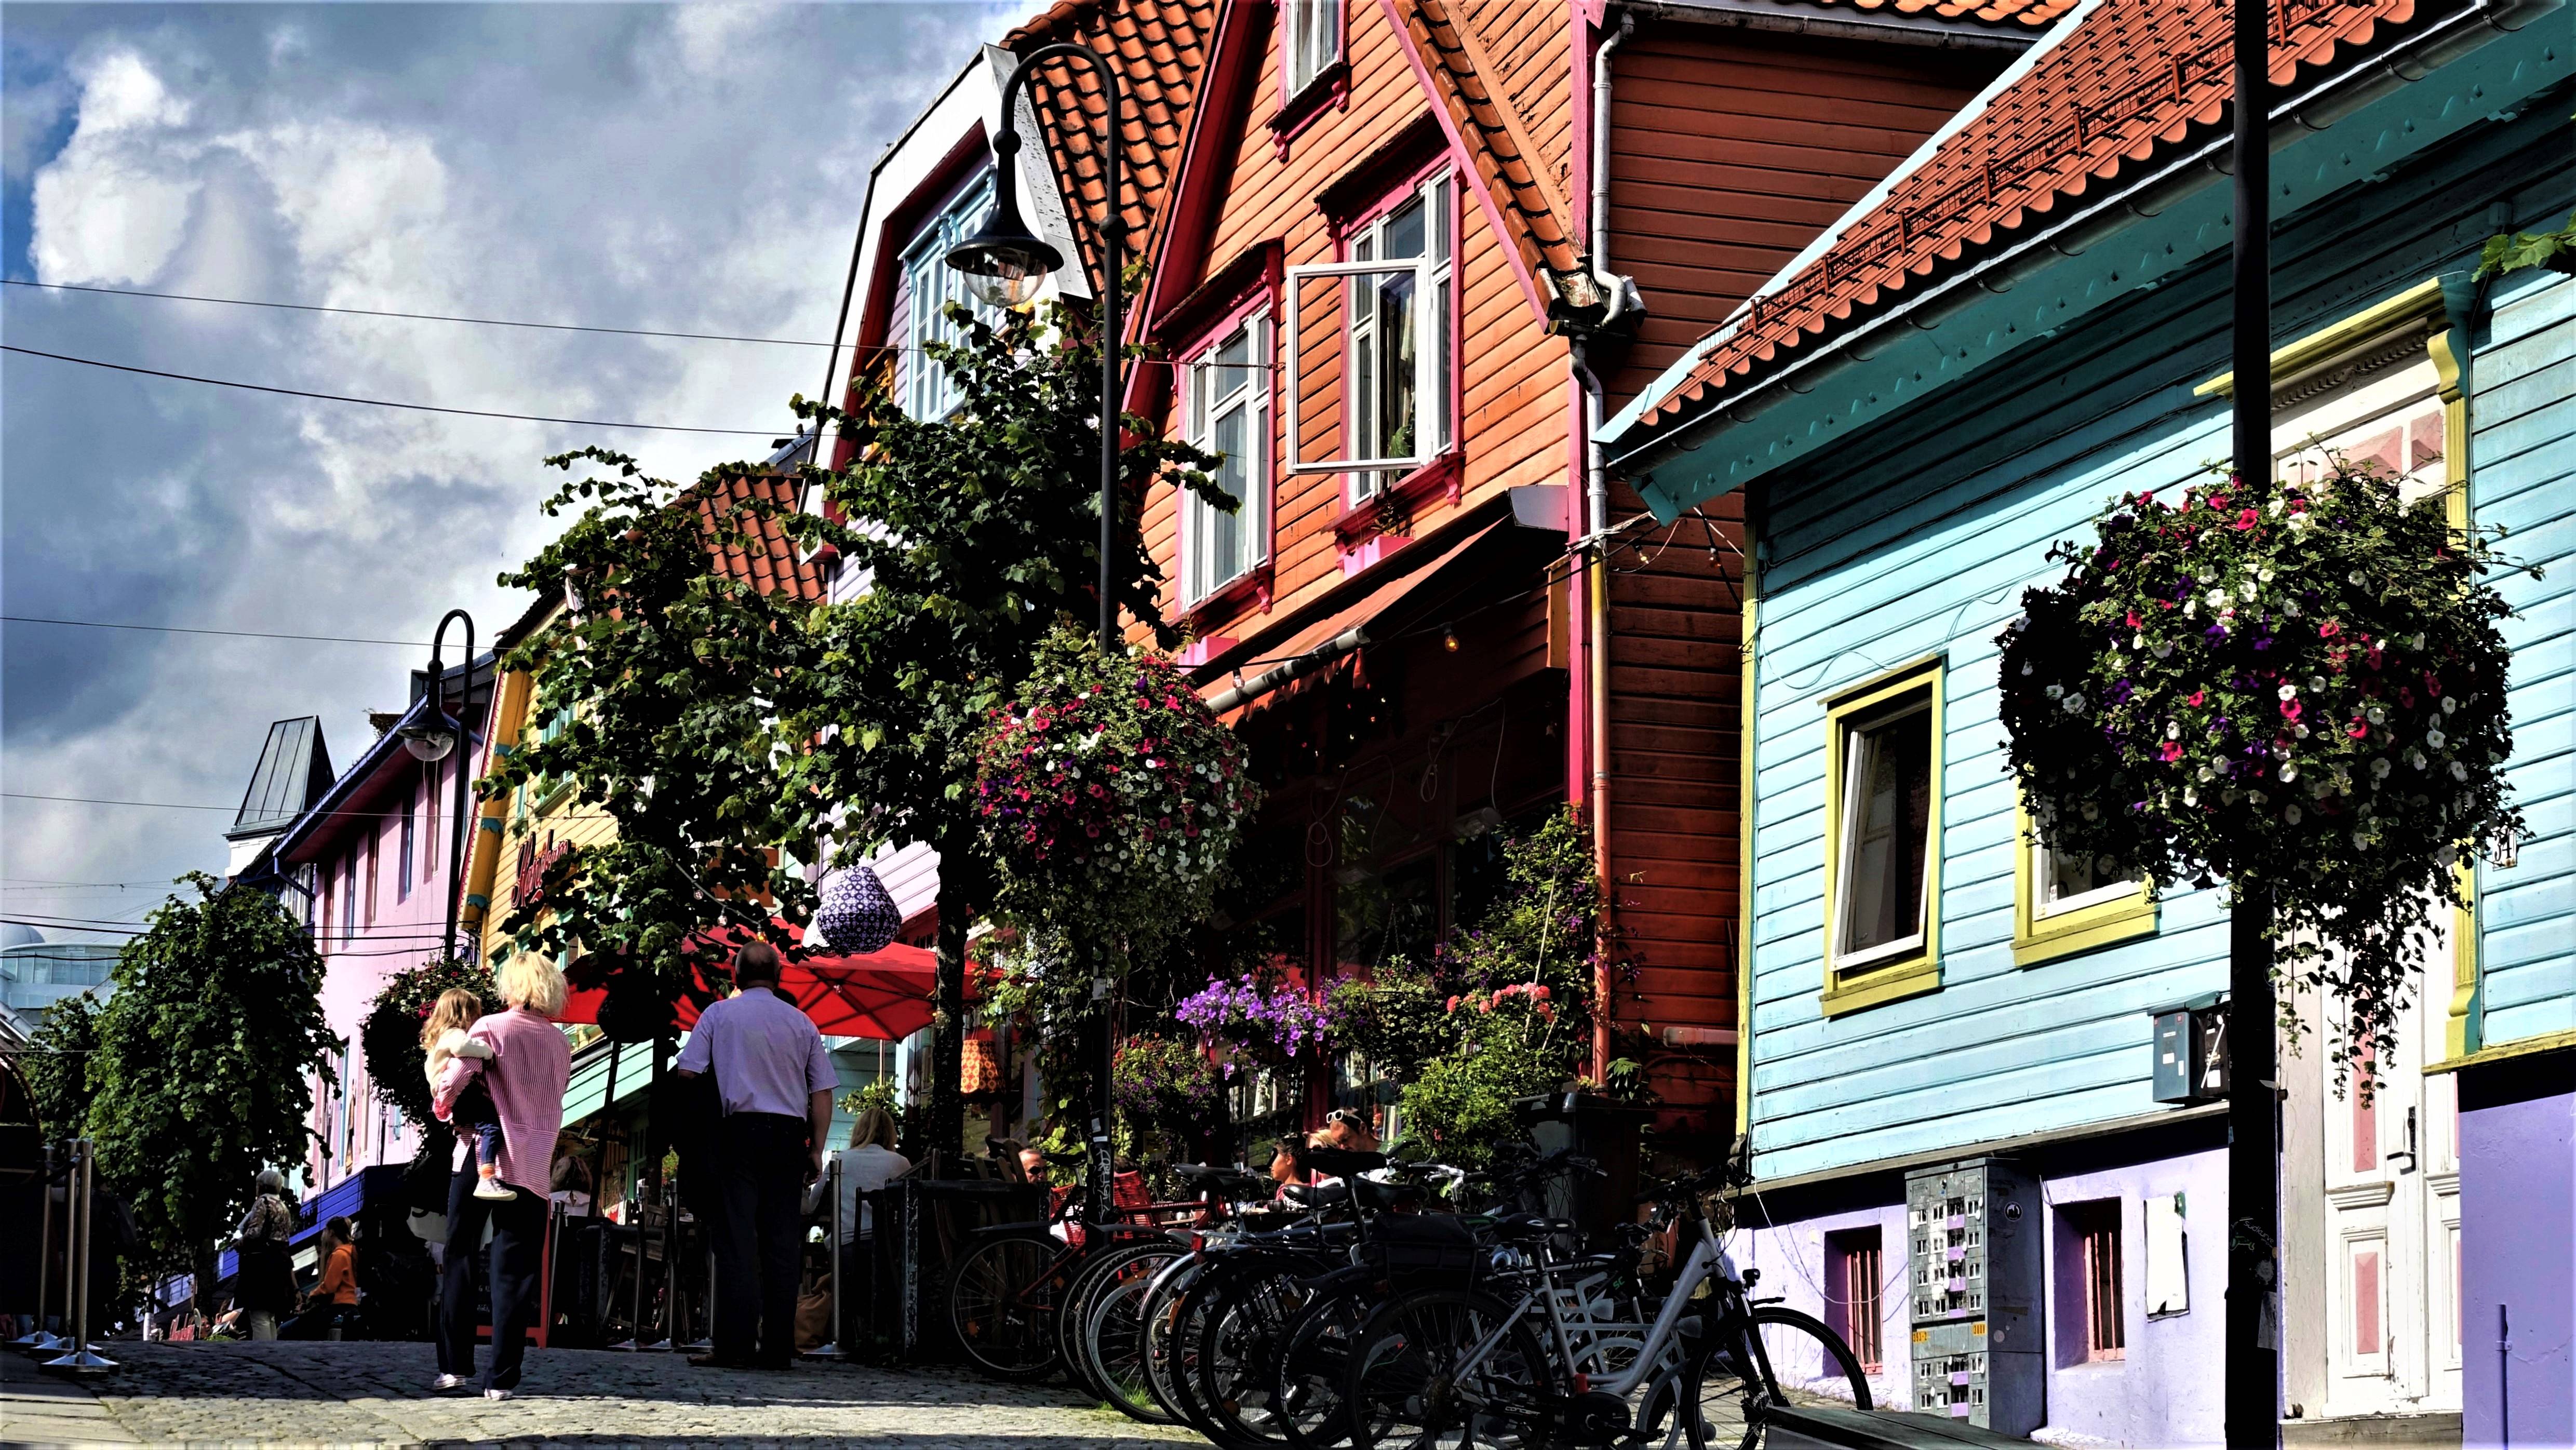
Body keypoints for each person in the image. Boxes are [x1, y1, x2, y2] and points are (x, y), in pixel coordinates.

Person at [675, 942, 835, 1371]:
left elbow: (688, 1072)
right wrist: (816, 1149)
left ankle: (735, 1345)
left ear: (736, 976)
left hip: (737, 1134)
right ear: (779, 977)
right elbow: (822, 1091)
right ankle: (778, 1348)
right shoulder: (802, 1023)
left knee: (737, 1240)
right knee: (782, 1243)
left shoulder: (718, 1015)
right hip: (787, 1137)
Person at [430, 955, 571, 1400]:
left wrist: (443, 1105)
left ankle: (455, 1367)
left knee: (461, 1257)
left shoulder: (490, 1027)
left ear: (512, 985)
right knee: (515, 1272)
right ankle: (502, 1380)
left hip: (479, 1157)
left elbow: (456, 1077)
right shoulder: (561, 1043)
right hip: (533, 1164)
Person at [422, 988, 512, 1201]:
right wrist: (488, 1053)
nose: (476, 1021)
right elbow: (462, 1047)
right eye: (475, 1015)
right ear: (464, 1014)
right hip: (463, 1092)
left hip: (450, 1096)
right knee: (492, 1128)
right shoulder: (454, 1034)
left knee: (482, 1126)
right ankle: (487, 1176)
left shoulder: (440, 1040)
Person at [232, 1169, 299, 1340]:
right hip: (280, 1262)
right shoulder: (283, 1207)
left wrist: (239, 1244)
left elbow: (254, 1232)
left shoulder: (263, 1203)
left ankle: (263, 1350)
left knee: (259, 1315)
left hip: (261, 1265)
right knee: (270, 1315)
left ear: (262, 1186)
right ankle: (272, 1348)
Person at [288, 1217, 360, 1340]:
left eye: (325, 1231)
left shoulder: (339, 1255)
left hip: (339, 1307)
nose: (323, 1235)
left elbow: (329, 1287)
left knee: (289, 1330)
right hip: (350, 1305)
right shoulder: (351, 1251)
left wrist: (312, 1294)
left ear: (331, 1232)